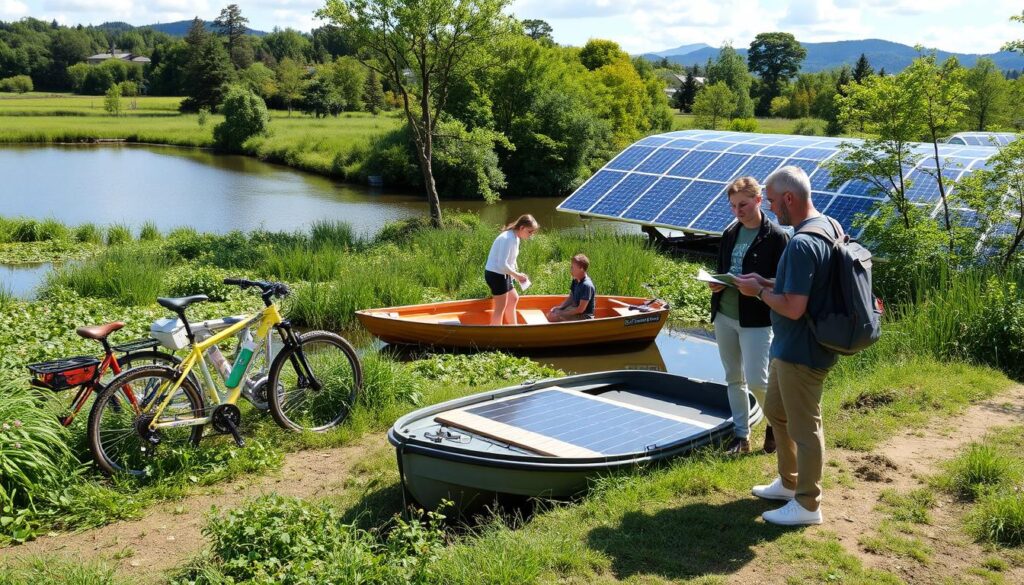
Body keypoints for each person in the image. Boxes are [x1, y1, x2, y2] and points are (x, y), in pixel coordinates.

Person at [734, 165, 840, 527]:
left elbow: (794, 307)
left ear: (789, 198)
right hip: (788, 347)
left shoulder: (800, 242)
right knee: (777, 411)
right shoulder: (826, 226)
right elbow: (800, 286)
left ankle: (809, 505)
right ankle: (789, 483)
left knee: (805, 428)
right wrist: (767, 279)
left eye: (775, 200)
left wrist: (759, 291)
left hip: (804, 350)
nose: (772, 207)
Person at [709, 177, 789, 456]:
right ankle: (741, 437)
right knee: (734, 378)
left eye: (743, 204)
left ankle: (777, 425)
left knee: (757, 381)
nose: (737, 211)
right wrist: (716, 282)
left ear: (758, 200)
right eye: (732, 206)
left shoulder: (777, 236)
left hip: (757, 318)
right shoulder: (730, 233)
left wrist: (758, 285)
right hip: (724, 314)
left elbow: (785, 282)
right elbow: (723, 268)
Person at [485, 214, 538, 325]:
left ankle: (514, 328)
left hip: (503, 274)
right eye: (530, 232)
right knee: (500, 307)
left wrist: (517, 273)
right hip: (496, 275)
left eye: (532, 232)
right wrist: (517, 276)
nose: (531, 235)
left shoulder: (516, 237)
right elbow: (502, 264)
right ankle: (496, 335)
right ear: (522, 227)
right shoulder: (507, 238)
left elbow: (511, 260)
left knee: (513, 298)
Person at [548, 254, 596, 322]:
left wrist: (562, 314)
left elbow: (580, 310)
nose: (571, 269)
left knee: (555, 317)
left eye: (573, 267)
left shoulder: (587, 285)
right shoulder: (575, 280)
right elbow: (571, 297)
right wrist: (561, 307)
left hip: (585, 317)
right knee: (553, 312)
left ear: (581, 268)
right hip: (575, 310)